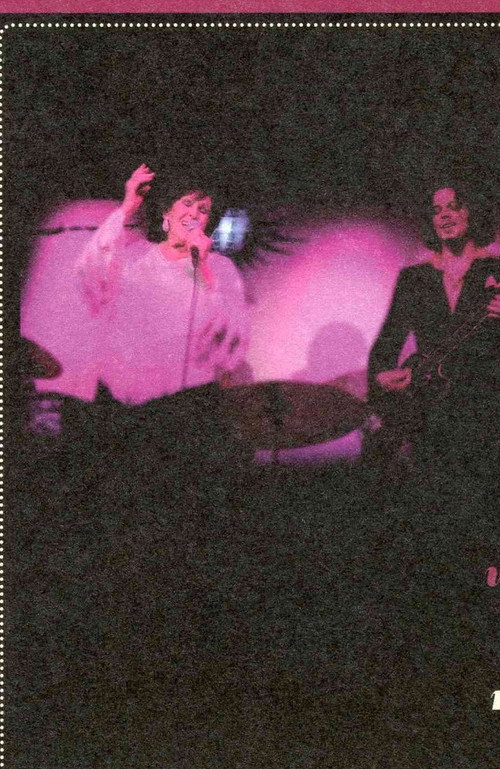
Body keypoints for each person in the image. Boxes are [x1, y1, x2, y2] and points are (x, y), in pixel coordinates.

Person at [367, 183, 499, 481]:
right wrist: (381, 375)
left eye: (454, 207)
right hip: (429, 411)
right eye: (436, 211)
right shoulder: (414, 278)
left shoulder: (497, 270)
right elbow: (387, 343)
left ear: (473, 212)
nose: (445, 216)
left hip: (486, 409)